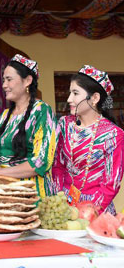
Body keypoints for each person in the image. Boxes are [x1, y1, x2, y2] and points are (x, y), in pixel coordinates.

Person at [0, 54, 58, 198]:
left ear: (27, 81)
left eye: (9, 79)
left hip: (32, 194)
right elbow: (1, 158)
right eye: (4, 80)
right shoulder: (5, 115)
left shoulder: (42, 111)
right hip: (6, 193)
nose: (4, 85)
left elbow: (41, 161)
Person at [52, 65, 124, 214]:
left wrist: (90, 211)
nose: (69, 99)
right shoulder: (65, 124)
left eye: (75, 93)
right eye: (69, 92)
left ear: (95, 98)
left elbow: (111, 183)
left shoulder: (113, 134)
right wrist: (58, 200)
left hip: (95, 208)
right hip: (63, 204)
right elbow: (58, 166)